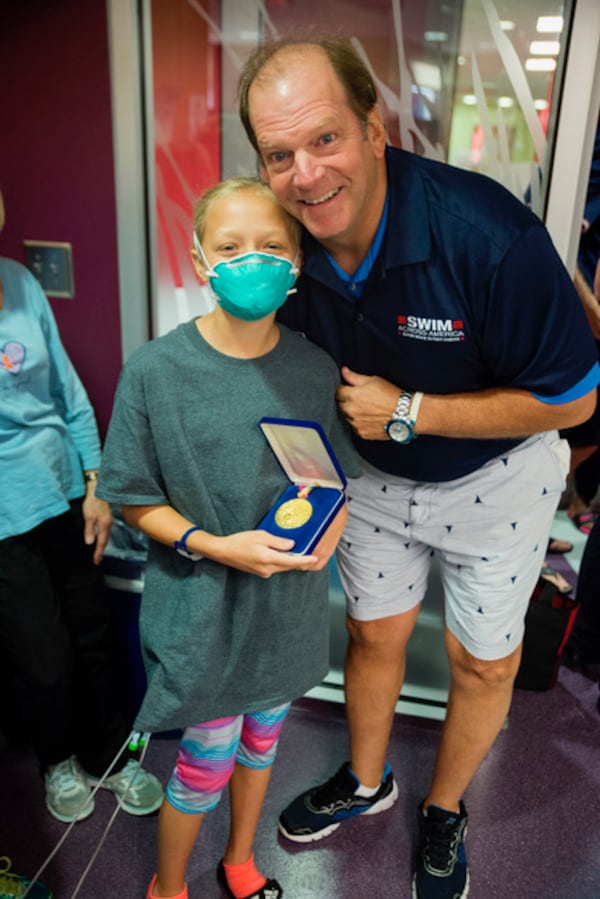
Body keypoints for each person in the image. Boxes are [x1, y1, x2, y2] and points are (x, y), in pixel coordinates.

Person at [237, 37, 600, 899]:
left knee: (481, 662)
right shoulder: (283, 243)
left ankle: (444, 810)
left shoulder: (486, 237)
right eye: (279, 154)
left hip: (498, 479)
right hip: (372, 477)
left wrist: (412, 411)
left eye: (324, 139)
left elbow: (577, 398)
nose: (306, 174)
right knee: (372, 635)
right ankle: (368, 782)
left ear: (375, 127)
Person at [96, 177, 361, 899]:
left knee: (263, 743)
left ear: (298, 261)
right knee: (203, 762)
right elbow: (132, 495)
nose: (255, 260)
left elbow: (336, 478)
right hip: (204, 614)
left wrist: (327, 535)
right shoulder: (155, 372)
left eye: (273, 246)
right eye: (232, 246)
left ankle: (241, 859)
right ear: (198, 258)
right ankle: (169, 885)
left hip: (285, 612)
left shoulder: (311, 369)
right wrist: (216, 546)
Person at [0, 190, 163, 824]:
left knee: (93, 635)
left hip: (63, 491)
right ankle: (58, 761)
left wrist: (96, 483)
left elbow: (65, 389)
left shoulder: (18, 282)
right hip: (6, 522)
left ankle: (111, 758)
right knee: (42, 659)